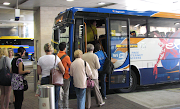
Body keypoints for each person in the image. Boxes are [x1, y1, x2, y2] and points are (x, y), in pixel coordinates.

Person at [37, 43, 65, 109]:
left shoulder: (40, 59)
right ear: (52, 50)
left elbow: (38, 72)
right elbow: (63, 70)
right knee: (55, 99)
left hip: (44, 80)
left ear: (45, 50)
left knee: (45, 99)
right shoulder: (56, 58)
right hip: (55, 80)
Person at [82, 44, 105, 109]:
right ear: (93, 49)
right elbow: (98, 66)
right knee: (96, 90)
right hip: (94, 76)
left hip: (86, 75)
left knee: (87, 91)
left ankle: (88, 105)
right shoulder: (95, 56)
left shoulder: (83, 56)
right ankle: (100, 102)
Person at [57, 42, 71, 108]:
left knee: (59, 93)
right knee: (66, 93)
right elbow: (70, 65)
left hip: (58, 77)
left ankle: (60, 107)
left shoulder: (56, 56)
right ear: (65, 48)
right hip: (65, 76)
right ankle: (66, 107)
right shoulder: (67, 57)